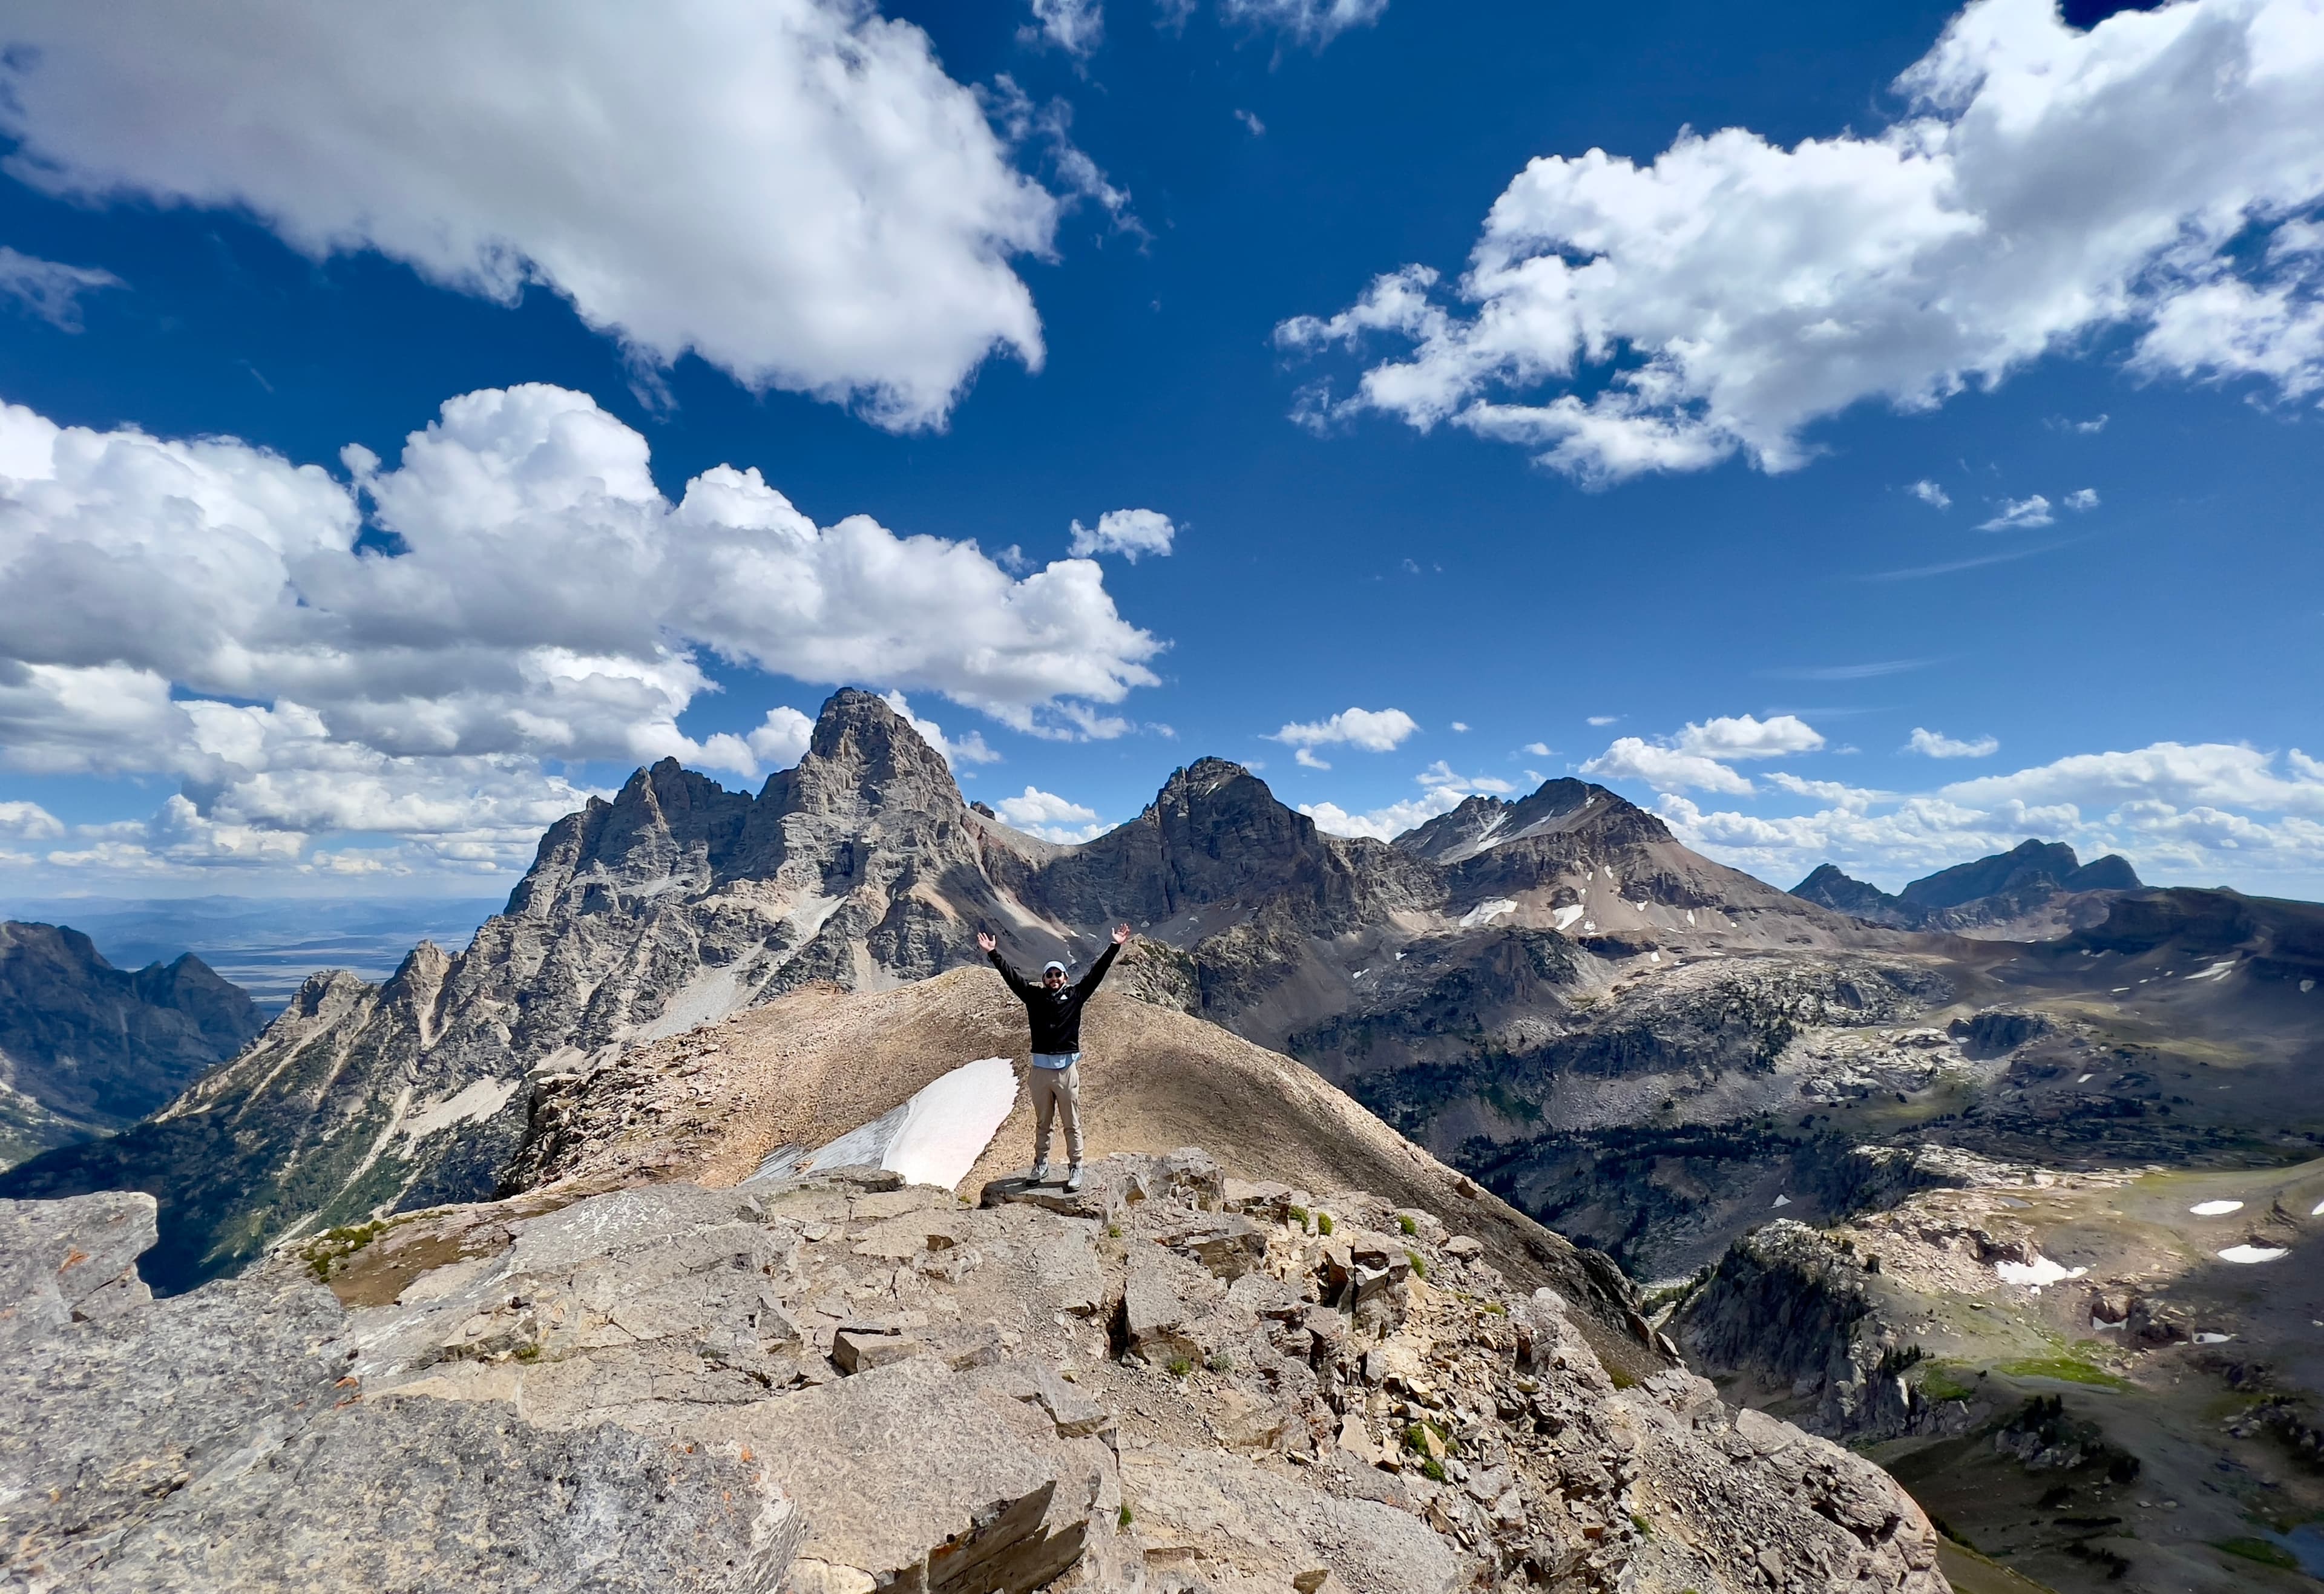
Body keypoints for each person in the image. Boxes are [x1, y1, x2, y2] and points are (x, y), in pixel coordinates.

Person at [978, 923, 1131, 1193]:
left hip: (1066, 1071)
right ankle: (1041, 1164)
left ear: (1066, 977)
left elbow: (1096, 974)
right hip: (1039, 1072)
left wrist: (1115, 946)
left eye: (1058, 974)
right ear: (1044, 978)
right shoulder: (1033, 997)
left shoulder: (1076, 996)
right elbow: (1013, 978)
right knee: (1043, 1123)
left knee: (1071, 1122)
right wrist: (994, 954)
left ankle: (1076, 1166)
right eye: (1049, 975)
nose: (1054, 979)